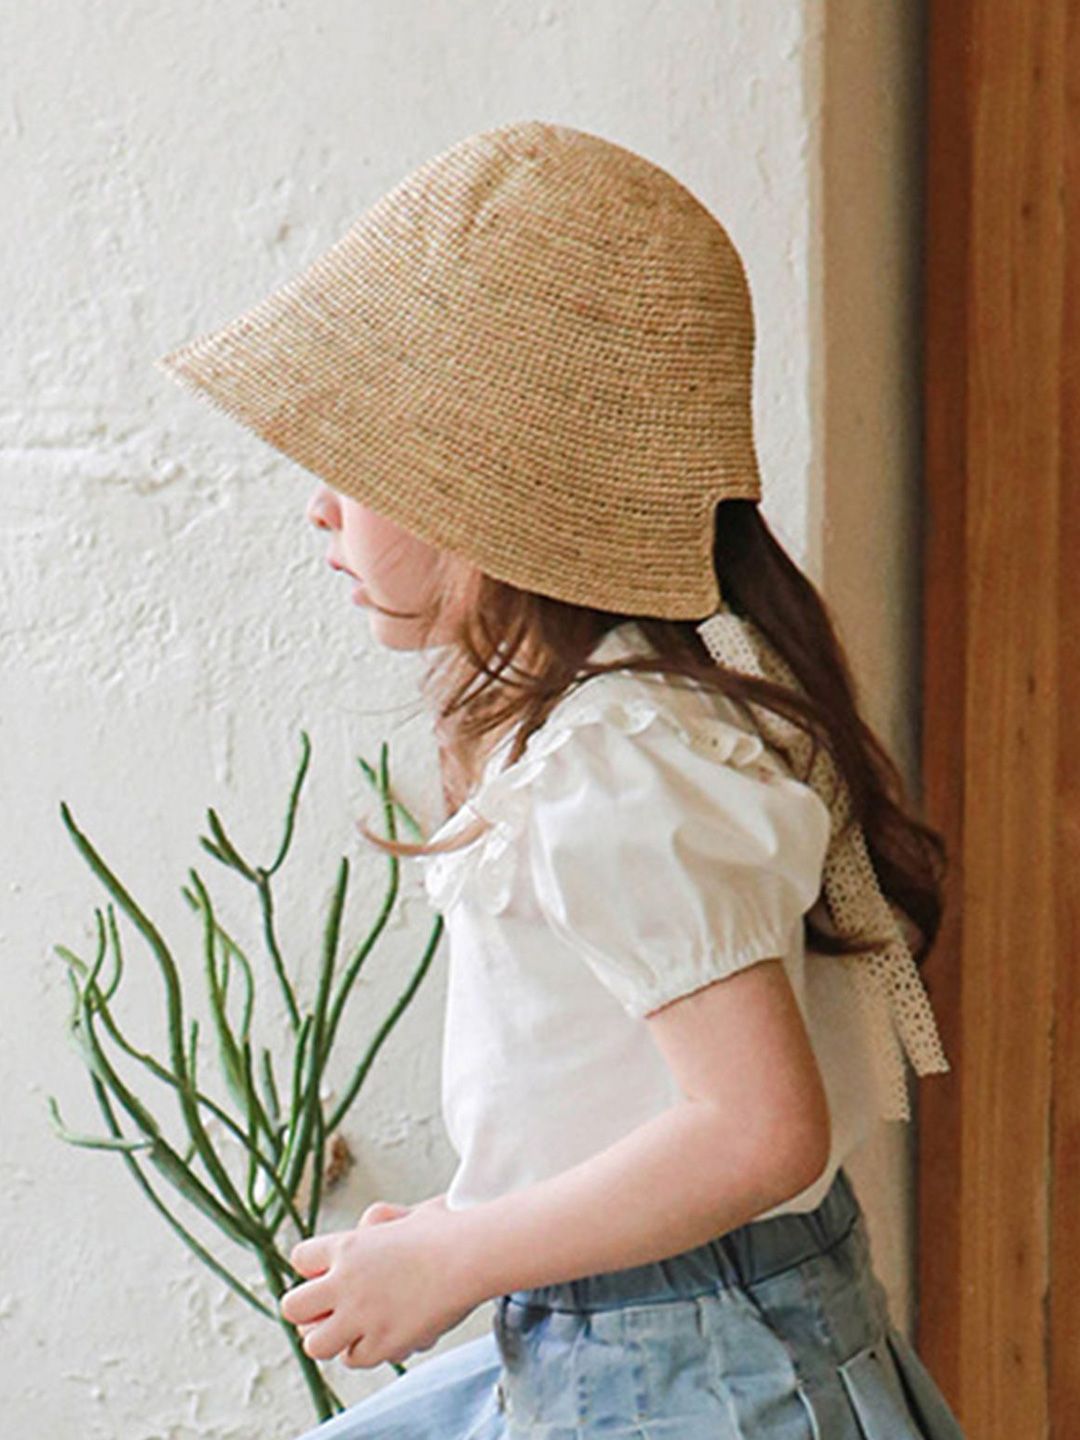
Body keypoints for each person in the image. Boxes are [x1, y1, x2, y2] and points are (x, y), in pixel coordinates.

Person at [155, 119, 967, 1439]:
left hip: (688, 1375)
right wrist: (469, 1224)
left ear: (488, 492)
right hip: (658, 1332)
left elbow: (756, 1130)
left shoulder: (620, 764)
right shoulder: (633, 721)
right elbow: (635, 1100)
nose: (318, 506)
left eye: (356, 467)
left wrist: (462, 1257)